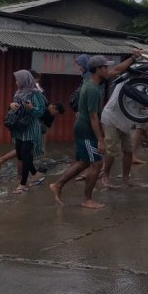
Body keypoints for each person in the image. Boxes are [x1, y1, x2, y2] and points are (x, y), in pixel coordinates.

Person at [49, 55, 111, 209]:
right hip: (86, 130)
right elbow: (93, 116)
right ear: (97, 69)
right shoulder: (92, 89)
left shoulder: (93, 85)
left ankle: (57, 185)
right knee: (97, 163)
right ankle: (86, 199)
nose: (107, 70)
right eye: (105, 67)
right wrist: (100, 140)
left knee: (84, 162)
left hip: (84, 128)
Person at [6, 70, 46, 194]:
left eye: (18, 80)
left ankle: (23, 184)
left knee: (26, 154)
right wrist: (11, 105)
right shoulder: (18, 93)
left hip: (30, 128)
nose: (16, 82)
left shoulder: (35, 94)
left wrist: (31, 108)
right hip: (19, 128)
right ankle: (35, 175)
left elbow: (41, 111)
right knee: (20, 153)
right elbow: (14, 108)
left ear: (25, 80)